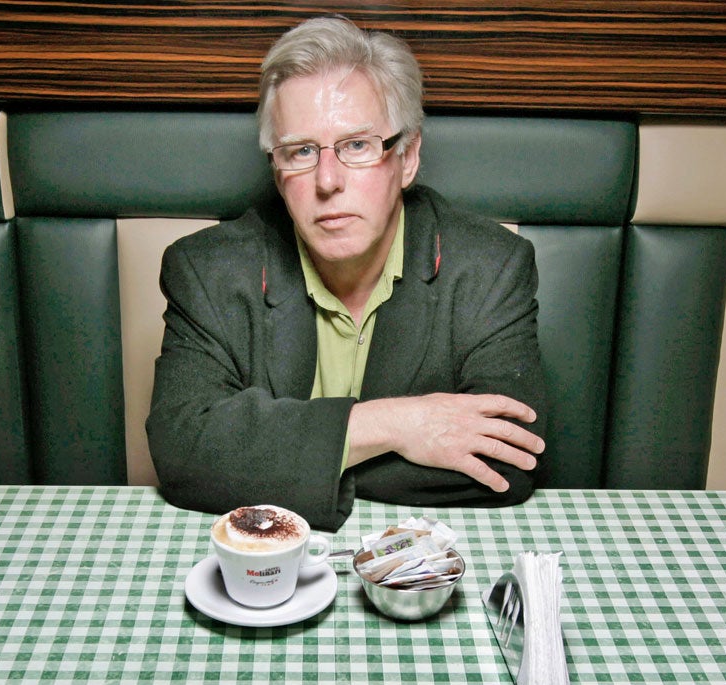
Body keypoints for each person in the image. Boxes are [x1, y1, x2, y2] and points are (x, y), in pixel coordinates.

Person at [146, 16, 546, 532]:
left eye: (357, 145)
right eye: (301, 151)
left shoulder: (491, 266)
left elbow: (509, 461)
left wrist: (275, 455)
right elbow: (183, 452)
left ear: (407, 157)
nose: (327, 181)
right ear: (277, 169)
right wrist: (397, 426)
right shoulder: (205, 270)